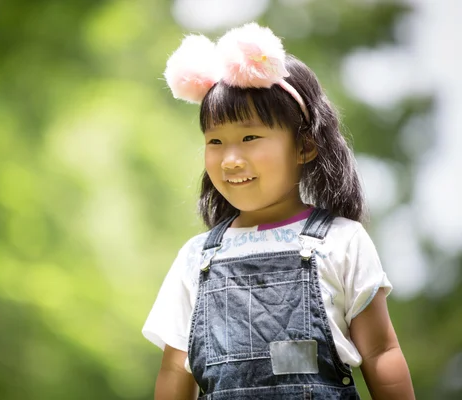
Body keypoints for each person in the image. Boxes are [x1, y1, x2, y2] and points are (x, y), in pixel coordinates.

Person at [142, 23, 415, 399]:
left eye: (250, 137)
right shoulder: (196, 258)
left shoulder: (341, 241)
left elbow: (381, 351)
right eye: (216, 141)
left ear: (304, 146)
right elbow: (175, 368)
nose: (231, 159)